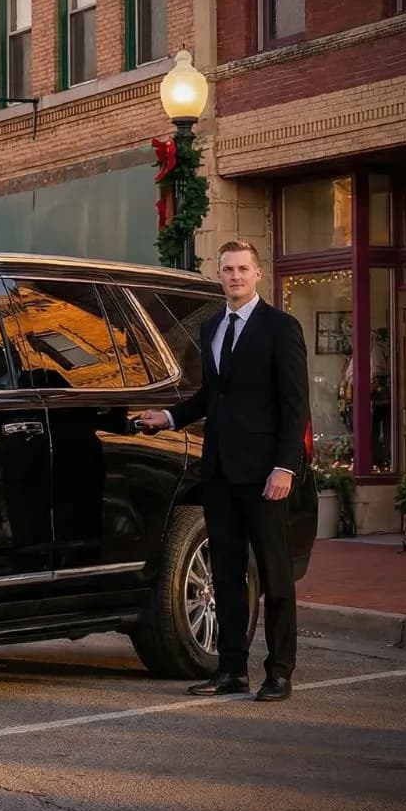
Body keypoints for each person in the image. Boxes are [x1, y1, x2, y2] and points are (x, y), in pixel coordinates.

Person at [138, 239, 309, 703]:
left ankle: (280, 672)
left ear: (258, 275)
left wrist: (284, 468)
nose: (234, 276)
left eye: (242, 269)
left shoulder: (281, 327)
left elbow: (295, 408)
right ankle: (231, 671)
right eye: (227, 269)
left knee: (274, 578)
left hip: (265, 476)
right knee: (227, 578)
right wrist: (170, 418)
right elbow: (211, 396)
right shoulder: (213, 326)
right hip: (218, 474)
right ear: (220, 275)